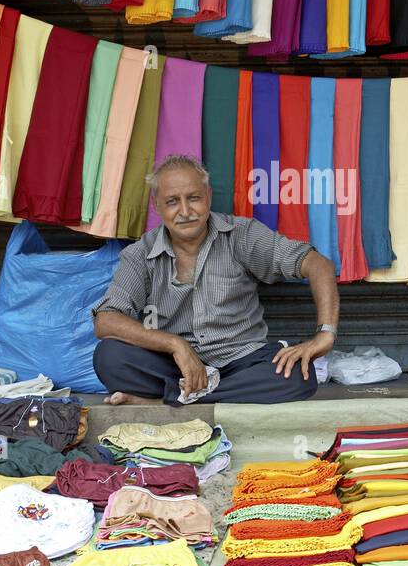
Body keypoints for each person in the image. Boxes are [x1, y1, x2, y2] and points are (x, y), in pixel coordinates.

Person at [92, 154, 340, 406]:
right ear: (156, 205)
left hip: (242, 361)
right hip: (174, 367)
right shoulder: (141, 254)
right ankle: (199, 396)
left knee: (297, 375)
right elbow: (106, 320)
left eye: (194, 198)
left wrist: (325, 333)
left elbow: (318, 264)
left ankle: (164, 402)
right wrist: (175, 345)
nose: (185, 211)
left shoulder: (241, 235)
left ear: (208, 196)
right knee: (109, 357)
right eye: (172, 202)